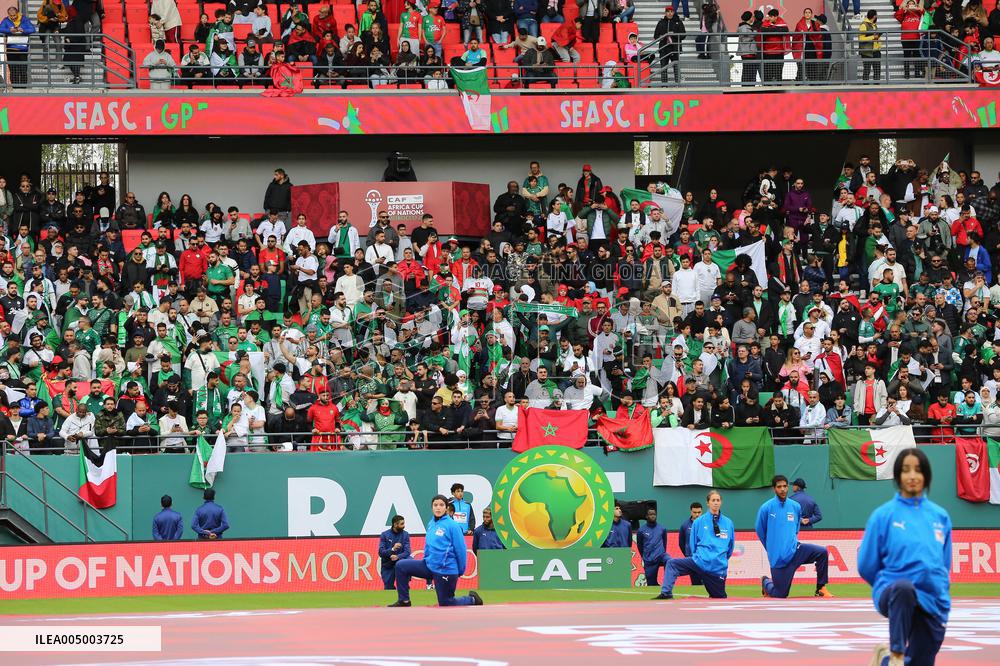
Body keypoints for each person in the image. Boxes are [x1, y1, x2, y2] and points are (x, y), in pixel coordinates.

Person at [860, 448, 950, 666]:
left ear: (926, 475)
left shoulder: (940, 516)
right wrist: (887, 585)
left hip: (932, 599)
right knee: (903, 588)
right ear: (898, 476)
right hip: (894, 593)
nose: (912, 476)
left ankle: (886, 660)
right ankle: (897, 654)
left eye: (918, 470)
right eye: (905, 470)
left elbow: (944, 565)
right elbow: (866, 565)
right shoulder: (883, 515)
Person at [389, 494, 483, 607]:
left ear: (446, 508)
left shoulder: (452, 526)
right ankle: (404, 601)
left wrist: (461, 570)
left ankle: (472, 599)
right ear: (432, 507)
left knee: (446, 602)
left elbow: (461, 550)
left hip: (446, 569)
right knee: (401, 566)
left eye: (441, 505)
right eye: (435, 505)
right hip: (428, 566)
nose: (438, 508)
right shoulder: (431, 523)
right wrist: (426, 559)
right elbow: (429, 545)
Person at [756, 475, 834, 598]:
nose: (782, 489)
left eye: (785, 486)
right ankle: (765, 582)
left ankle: (821, 588)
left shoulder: (795, 506)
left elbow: (796, 528)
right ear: (774, 489)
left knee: (822, 552)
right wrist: (772, 548)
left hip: (796, 551)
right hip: (779, 558)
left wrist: (791, 542)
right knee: (780, 594)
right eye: (779, 487)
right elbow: (760, 530)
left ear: (788, 487)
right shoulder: (766, 508)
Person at [654, 490, 734, 600]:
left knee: (719, 598)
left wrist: (718, 559)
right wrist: (700, 557)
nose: (716, 503)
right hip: (699, 562)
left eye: (718, 500)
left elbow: (730, 547)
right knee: (672, 564)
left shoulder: (728, 523)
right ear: (708, 503)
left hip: (716, 568)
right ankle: (666, 593)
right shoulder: (699, 522)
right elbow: (693, 544)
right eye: (713, 500)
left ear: (721, 502)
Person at [378, 514, 411, 590]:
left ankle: (405, 600)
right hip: (388, 563)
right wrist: (392, 549)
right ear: (395, 524)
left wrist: (397, 557)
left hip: (401, 562)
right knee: (388, 588)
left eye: (404, 523)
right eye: (401, 524)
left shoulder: (405, 535)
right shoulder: (384, 535)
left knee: (404, 586)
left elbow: (407, 552)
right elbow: (381, 552)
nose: (404, 526)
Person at [636, 507, 667, 587]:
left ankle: (667, 583)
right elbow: (639, 546)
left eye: (654, 514)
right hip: (649, 559)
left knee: (669, 560)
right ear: (646, 516)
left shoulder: (662, 529)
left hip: (661, 556)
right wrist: (645, 556)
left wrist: (662, 553)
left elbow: (664, 543)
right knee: (651, 584)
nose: (653, 516)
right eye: (650, 514)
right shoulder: (641, 530)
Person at [677, 501, 704, 585]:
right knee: (695, 583)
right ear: (691, 511)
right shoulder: (685, 525)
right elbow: (681, 543)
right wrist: (687, 554)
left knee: (707, 583)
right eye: (694, 512)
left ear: (702, 512)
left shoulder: (706, 524)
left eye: (699, 512)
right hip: (692, 559)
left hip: (704, 559)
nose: (697, 514)